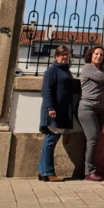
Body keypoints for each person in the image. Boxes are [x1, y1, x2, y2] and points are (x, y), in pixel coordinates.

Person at [38, 45, 75, 182]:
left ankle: (42, 171)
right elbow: (46, 91)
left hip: (63, 111)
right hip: (54, 112)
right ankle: (49, 172)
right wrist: (50, 108)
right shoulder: (52, 71)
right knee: (50, 141)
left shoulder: (66, 70)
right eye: (62, 54)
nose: (64, 57)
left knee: (49, 141)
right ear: (56, 56)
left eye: (66, 54)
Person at [78, 46, 104, 181]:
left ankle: (88, 169)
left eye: (101, 55)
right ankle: (89, 172)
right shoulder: (88, 68)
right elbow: (102, 78)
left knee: (94, 140)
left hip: (101, 109)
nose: (98, 56)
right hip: (87, 108)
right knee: (93, 138)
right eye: (96, 54)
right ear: (91, 55)